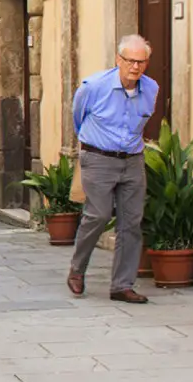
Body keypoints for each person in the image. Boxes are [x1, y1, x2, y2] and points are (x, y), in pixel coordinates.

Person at [66, 34, 157, 304]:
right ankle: (77, 269)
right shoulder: (93, 86)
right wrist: (92, 147)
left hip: (133, 160)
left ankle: (122, 285)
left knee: (131, 222)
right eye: (130, 60)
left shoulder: (151, 88)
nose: (135, 67)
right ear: (119, 59)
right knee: (98, 215)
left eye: (141, 62)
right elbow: (77, 118)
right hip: (98, 158)